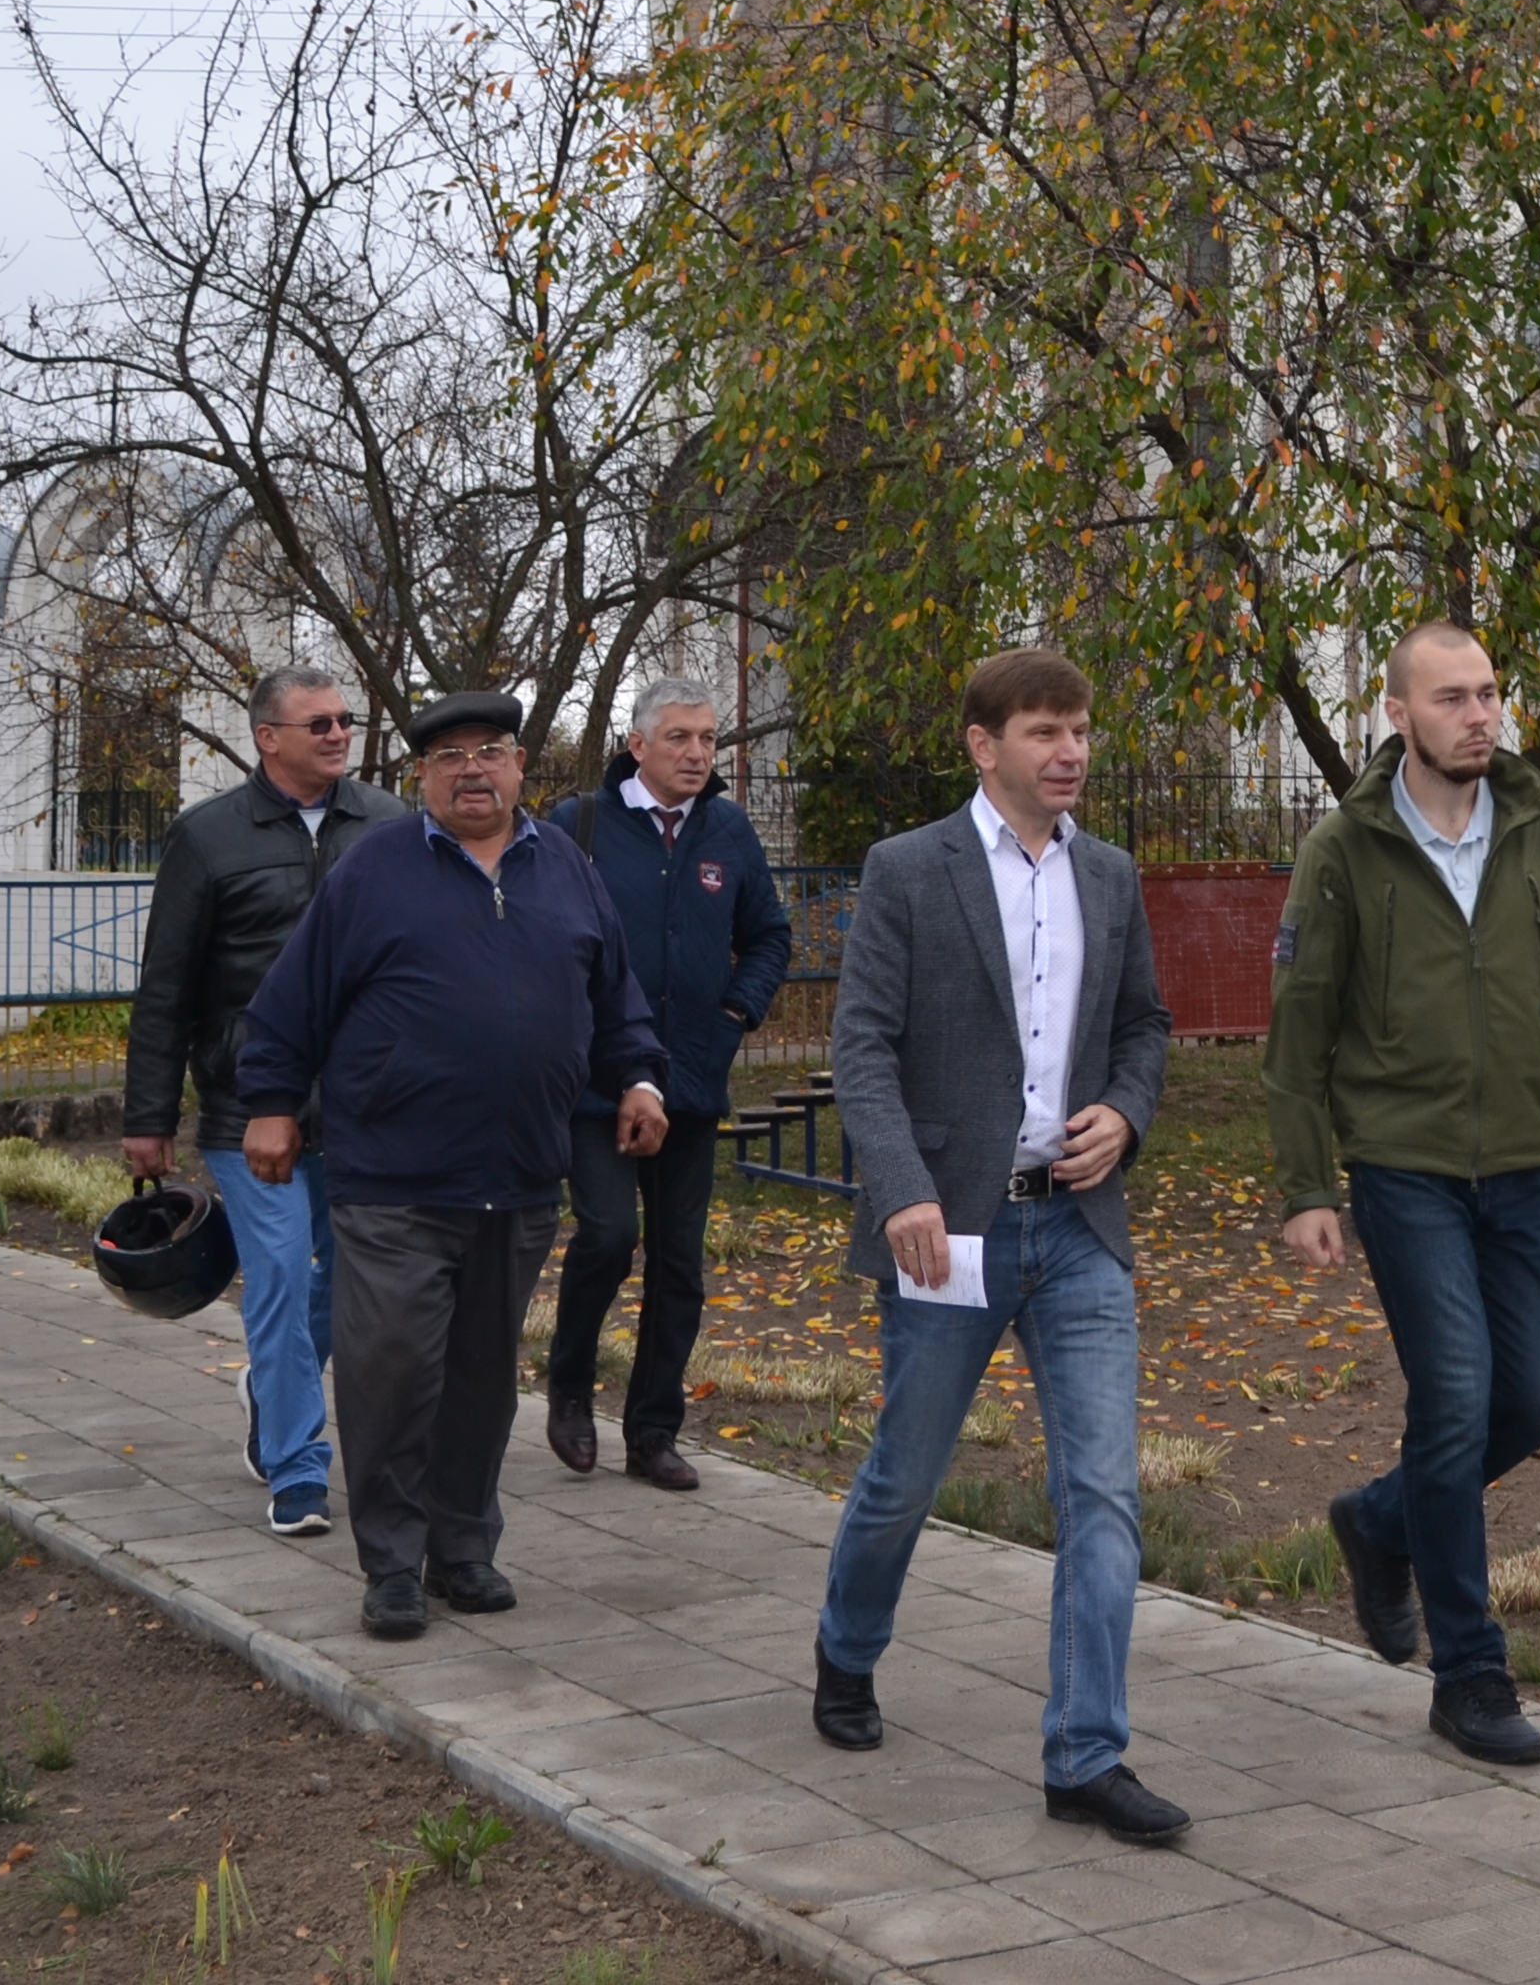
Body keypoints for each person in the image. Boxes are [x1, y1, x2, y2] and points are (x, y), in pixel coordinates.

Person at [809, 648, 1184, 1845]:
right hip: (950, 1236)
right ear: (985, 745)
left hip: (1076, 1228)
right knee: (906, 1476)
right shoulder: (909, 871)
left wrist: (1124, 1112)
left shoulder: (1112, 877)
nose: (1070, 751)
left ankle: (1085, 1755)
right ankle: (846, 1649)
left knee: (1102, 1494)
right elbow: (860, 1046)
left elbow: (1144, 1026)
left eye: (1079, 730)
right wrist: (904, 1191)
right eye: (1043, 732)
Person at [1268, 620, 1540, 1767]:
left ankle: (1380, 1522)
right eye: (1452, 698)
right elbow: (1297, 1037)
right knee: (1453, 1397)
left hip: (1520, 1168)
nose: (1480, 715)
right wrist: (1305, 1184)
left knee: (1529, 1402)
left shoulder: (1539, 832)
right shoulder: (1344, 851)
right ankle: (1471, 1673)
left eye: (1489, 694)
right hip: (1403, 1169)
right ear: (1397, 715)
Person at [232, 691, 668, 1640]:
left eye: (493, 752)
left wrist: (639, 1080)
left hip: (515, 1180)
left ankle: (463, 1549)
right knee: (391, 1375)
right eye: (450, 757)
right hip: (393, 1179)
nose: (474, 769)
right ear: (421, 778)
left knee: (479, 1378)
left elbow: (615, 996)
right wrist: (269, 1104)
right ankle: (391, 1562)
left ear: (521, 766)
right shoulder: (373, 871)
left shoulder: (567, 870)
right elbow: (287, 1004)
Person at [122, 665, 402, 1541]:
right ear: (266, 737)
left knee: (353, 1284)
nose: (335, 734)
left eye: (344, 720)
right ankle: (298, 1470)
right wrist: (148, 1116)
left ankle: (270, 1386)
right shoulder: (209, 839)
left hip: (364, 1104)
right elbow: (165, 985)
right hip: (250, 1107)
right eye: (315, 722)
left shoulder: (389, 828)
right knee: (279, 1276)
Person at [545, 678, 796, 1489]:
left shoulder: (726, 830)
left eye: (709, 740)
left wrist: (732, 1018)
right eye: (681, 738)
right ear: (638, 744)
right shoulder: (577, 826)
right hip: (597, 1082)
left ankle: (653, 1431)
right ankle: (570, 1391)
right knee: (610, 1235)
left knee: (680, 1262)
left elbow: (769, 937)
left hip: (690, 1079)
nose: (697, 754)